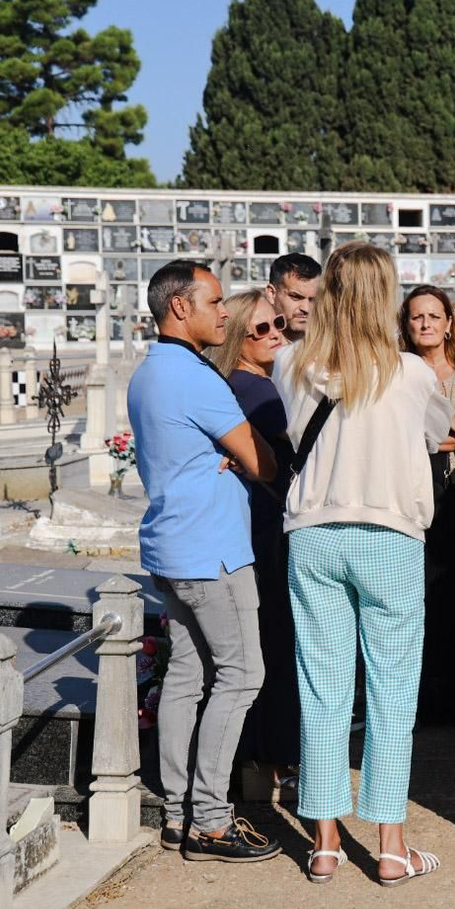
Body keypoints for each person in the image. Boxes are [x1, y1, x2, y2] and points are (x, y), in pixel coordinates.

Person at [272, 242, 454, 885]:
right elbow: (438, 435)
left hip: (315, 532)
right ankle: (390, 845)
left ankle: (323, 843)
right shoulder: (411, 374)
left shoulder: (290, 361)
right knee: (391, 691)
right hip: (389, 534)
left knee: (322, 689)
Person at [128, 261, 280, 862]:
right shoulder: (197, 378)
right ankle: (212, 821)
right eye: (214, 301)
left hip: (171, 544)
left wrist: (227, 454)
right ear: (180, 308)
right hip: (211, 551)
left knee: (187, 678)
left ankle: (176, 813)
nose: (225, 312)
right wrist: (245, 457)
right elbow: (262, 461)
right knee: (242, 676)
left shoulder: (150, 371)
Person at [209, 289, 299, 798]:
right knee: (275, 644)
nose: (275, 335)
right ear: (239, 337)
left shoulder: (252, 383)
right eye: (260, 329)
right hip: (268, 527)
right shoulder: (254, 390)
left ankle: (264, 760)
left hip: (258, 522)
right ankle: (274, 762)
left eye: (278, 324)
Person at [399, 284, 455, 725]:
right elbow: (406, 435)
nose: (426, 324)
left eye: (434, 316)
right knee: (421, 598)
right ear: (406, 325)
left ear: (449, 323)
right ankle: (427, 698)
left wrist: (450, 435)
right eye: (417, 317)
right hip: (417, 495)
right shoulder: (400, 372)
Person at [266, 253, 321, 343]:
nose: (306, 308)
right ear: (271, 294)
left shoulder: (331, 348)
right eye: (296, 297)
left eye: (313, 299)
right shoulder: (255, 349)